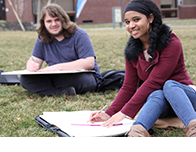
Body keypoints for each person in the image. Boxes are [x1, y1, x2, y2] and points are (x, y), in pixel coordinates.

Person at [89, 0, 196, 137]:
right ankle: (137, 133)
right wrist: (109, 113)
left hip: (185, 98)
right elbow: (128, 86)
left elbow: (155, 81)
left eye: (136, 19)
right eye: (127, 22)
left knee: (168, 85)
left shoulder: (171, 43)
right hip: (161, 104)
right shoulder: (132, 51)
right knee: (157, 93)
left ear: (150, 18)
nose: (131, 25)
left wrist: (124, 112)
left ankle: (194, 131)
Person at [20, 3, 102, 96]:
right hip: (57, 76)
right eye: (49, 21)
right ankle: (60, 92)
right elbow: (35, 60)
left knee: (74, 80)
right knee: (24, 79)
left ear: (63, 20)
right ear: (44, 23)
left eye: (57, 20)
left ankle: (51, 89)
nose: (53, 24)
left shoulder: (79, 34)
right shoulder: (42, 38)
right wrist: (31, 64)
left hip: (83, 77)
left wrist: (58, 67)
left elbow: (89, 63)